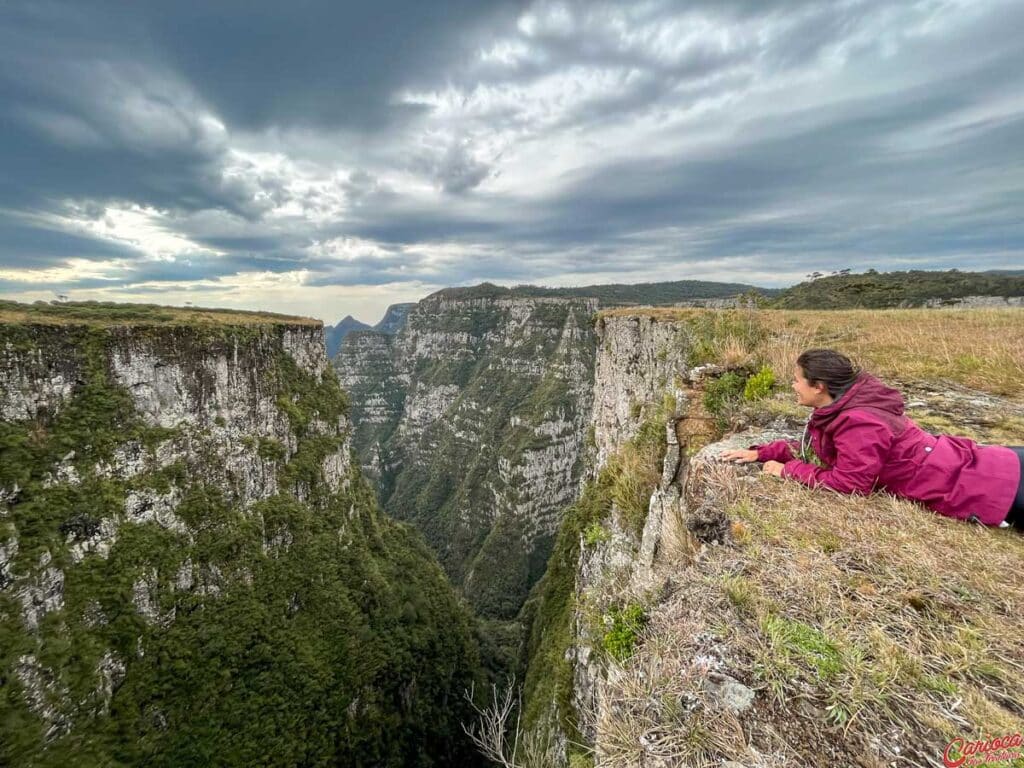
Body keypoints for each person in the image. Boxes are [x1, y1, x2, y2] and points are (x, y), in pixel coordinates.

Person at [719, 349, 1024, 528]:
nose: (792, 385)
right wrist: (762, 453)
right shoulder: (842, 410)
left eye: (797, 380)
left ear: (819, 387)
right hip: (987, 466)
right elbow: (822, 451)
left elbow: (850, 484)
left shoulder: (860, 423)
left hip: (993, 484)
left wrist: (787, 470)